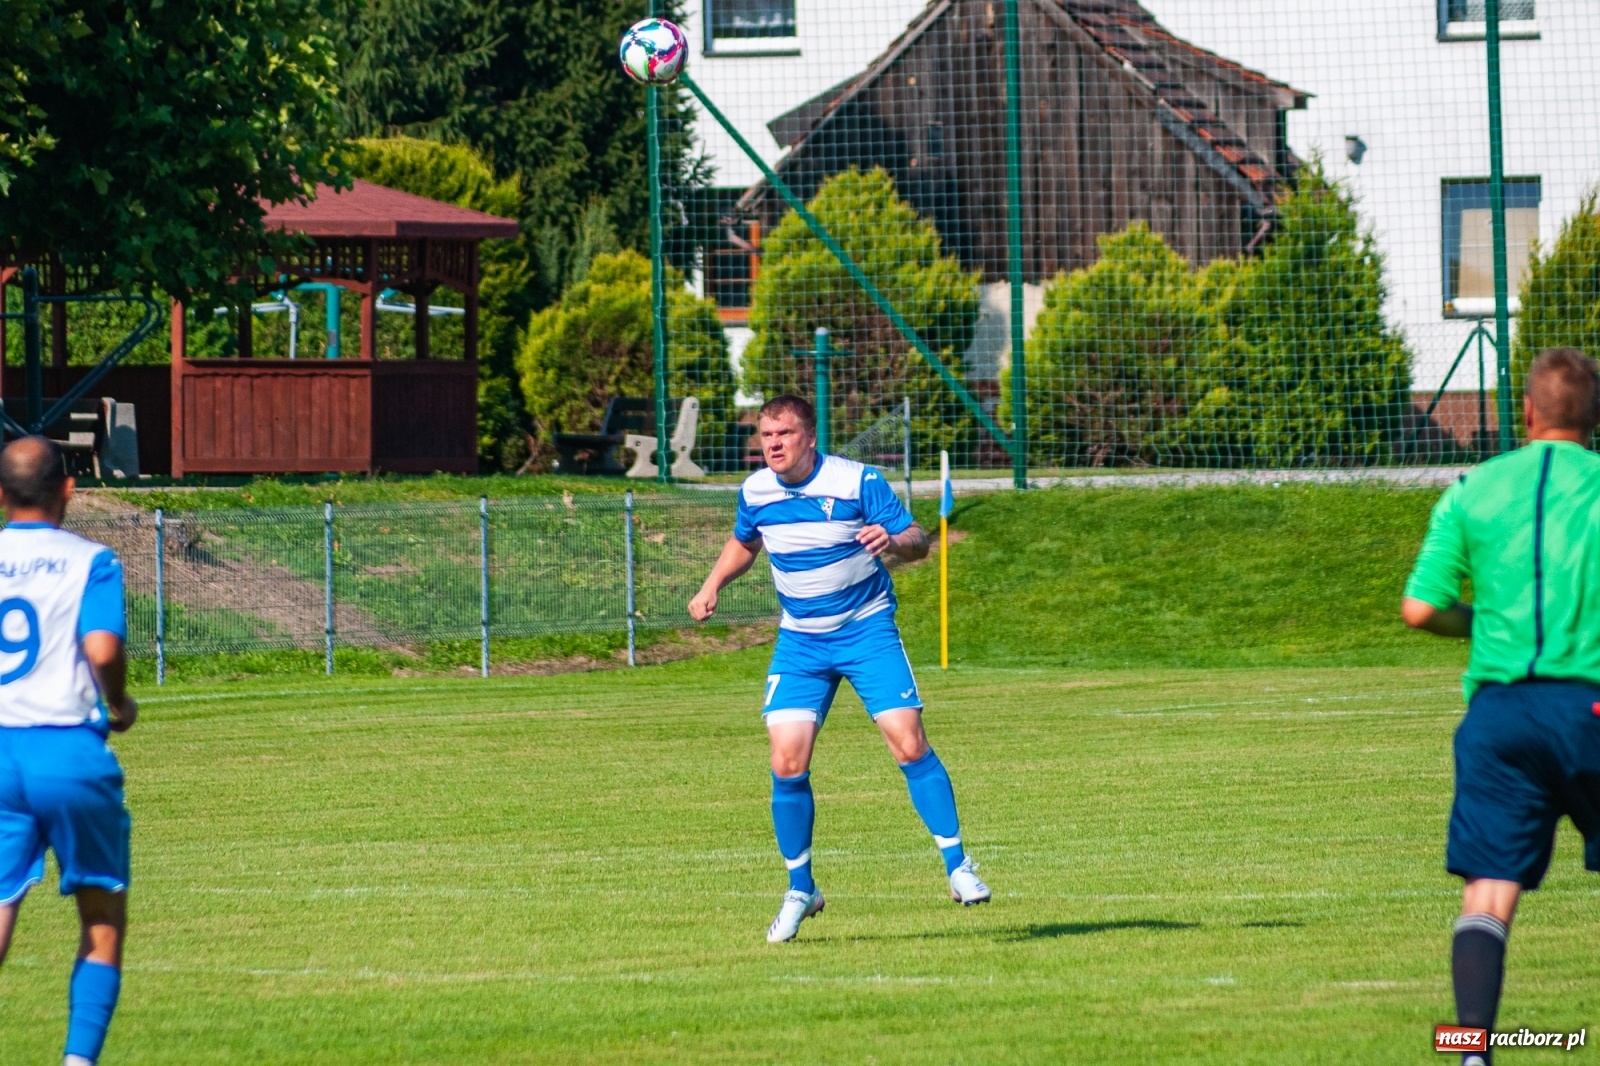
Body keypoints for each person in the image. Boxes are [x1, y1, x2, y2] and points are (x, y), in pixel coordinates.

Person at [689, 395, 989, 943]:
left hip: (866, 630)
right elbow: (744, 542)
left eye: (783, 434)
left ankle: (959, 867)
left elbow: (918, 542)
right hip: (801, 642)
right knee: (786, 761)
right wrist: (712, 585)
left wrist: (893, 541)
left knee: (908, 743)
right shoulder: (755, 490)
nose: (773, 445)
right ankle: (801, 889)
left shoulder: (857, 481)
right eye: (765, 436)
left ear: (809, 436)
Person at [1403, 348, 1600, 1066]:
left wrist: (1480, 623)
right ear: (1596, 419)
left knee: (1488, 895)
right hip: (1592, 709)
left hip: (1499, 719)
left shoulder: (1472, 489)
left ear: (1527, 413)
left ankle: (1471, 1053)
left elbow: (1420, 609)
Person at [0, 436, 137, 1066]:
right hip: (67, 749)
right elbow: (102, 649)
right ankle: (78, 1061)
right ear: (68, 489)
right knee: (101, 918)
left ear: (1, 494)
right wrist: (120, 702)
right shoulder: (91, 560)